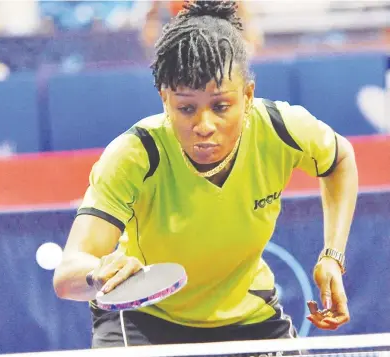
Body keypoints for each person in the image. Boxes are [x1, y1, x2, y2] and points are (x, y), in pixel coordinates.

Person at [53, 0, 358, 349]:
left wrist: (332, 256)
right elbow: (67, 275)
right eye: (186, 108)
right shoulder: (134, 156)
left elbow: (340, 159)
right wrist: (97, 274)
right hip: (145, 320)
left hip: (248, 315)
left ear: (247, 95)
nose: (204, 126)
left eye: (221, 106)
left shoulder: (281, 129)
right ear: (164, 99)